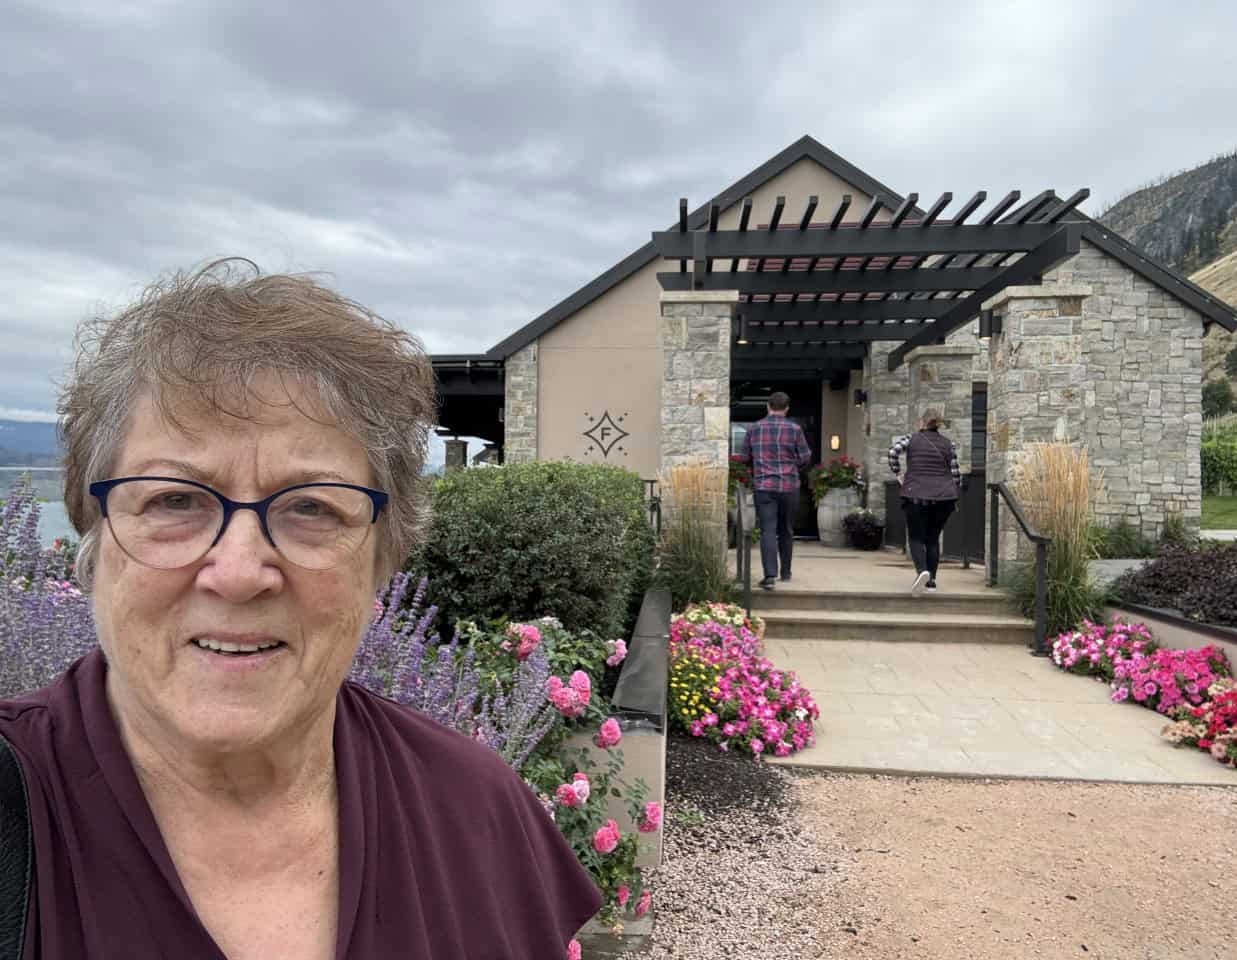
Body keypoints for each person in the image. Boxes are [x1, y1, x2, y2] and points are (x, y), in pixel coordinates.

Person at [0, 259, 602, 958]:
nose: (239, 573)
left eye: (311, 506)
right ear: (94, 531)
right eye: (174, 500)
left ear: (384, 554)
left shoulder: (475, 809)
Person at [888, 408, 961, 595]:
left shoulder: (911, 439)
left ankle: (922, 572)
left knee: (916, 537)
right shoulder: (948, 444)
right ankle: (931, 582)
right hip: (944, 498)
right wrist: (954, 491)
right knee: (933, 538)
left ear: (922, 422)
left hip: (915, 495)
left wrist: (898, 473)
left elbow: (893, 452)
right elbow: (955, 473)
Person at [743, 391, 812, 590]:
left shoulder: (754, 429)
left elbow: (745, 456)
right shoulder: (795, 429)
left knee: (767, 530)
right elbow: (806, 457)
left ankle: (770, 576)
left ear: (768, 406)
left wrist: (758, 467)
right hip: (789, 485)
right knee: (786, 530)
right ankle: (786, 572)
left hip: (764, 486)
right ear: (787, 408)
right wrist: (792, 467)